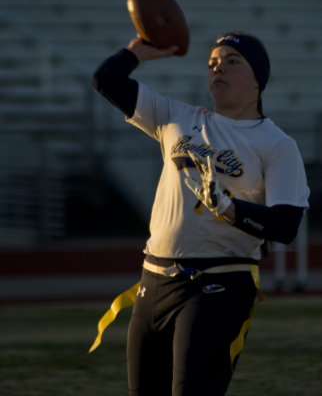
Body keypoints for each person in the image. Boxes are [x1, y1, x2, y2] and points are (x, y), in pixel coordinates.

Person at [91, 31, 310, 396]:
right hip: (154, 281)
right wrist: (135, 53)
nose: (218, 69)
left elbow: (287, 225)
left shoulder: (276, 144)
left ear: (258, 79)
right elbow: (106, 80)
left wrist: (230, 209)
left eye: (231, 61)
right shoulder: (175, 116)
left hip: (219, 285)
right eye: (212, 64)